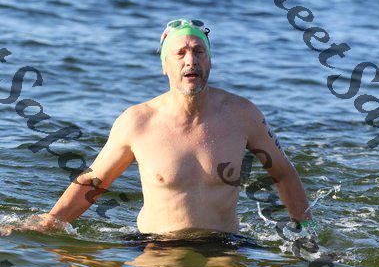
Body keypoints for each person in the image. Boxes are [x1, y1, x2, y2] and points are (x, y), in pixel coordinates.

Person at [9, 17, 313, 238]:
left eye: (199, 52)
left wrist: (306, 232)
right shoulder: (138, 121)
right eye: (180, 53)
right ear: (165, 65)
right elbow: (95, 182)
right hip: (156, 245)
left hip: (224, 244)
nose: (190, 60)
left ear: (210, 61)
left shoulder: (243, 115)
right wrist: (51, 221)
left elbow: (283, 172)